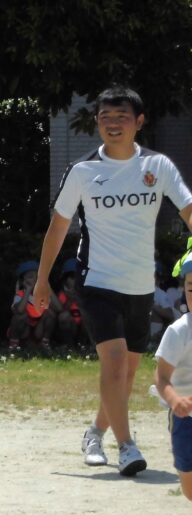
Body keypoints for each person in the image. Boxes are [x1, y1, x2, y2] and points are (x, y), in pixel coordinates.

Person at [34, 85, 192, 476]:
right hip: (96, 279)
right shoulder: (83, 171)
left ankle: (95, 432)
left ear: (139, 122)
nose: (112, 125)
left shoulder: (158, 167)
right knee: (115, 362)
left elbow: (189, 210)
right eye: (105, 118)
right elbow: (57, 228)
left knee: (128, 372)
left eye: (121, 118)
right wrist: (42, 281)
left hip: (140, 283)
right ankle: (127, 446)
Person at [154, 257, 192, 501]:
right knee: (189, 489)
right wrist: (174, 400)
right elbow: (160, 376)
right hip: (185, 418)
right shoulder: (179, 331)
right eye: (191, 287)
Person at [7, 260, 58, 352]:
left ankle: (44, 343)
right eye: (30, 277)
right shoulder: (20, 294)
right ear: (23, 281)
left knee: (50, 312)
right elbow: (20, 310)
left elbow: (59, 308)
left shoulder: (44, 293)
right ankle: (14, 345)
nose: (35, 280)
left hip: (38, 330)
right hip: (24, 330)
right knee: (19, 316)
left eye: (37, 277)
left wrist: (47, 286)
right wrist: (27, 290)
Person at [54, 258, 85, 347]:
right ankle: (68, 345)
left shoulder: (87, 292)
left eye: (78, 277)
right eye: (72, 277)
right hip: (69, 327)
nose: (75, 281)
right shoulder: (61, 294)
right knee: (64, 316)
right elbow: (60, 313)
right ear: (65, 279)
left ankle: (84, 344)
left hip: (83, 328)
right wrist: (71, 299)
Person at [150, 261, 181, 345]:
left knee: (154, 312)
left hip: (159, 324)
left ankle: (152, 341)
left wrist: (152, 306)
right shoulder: (136, 290)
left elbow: (170, 314)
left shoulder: (160, 294)